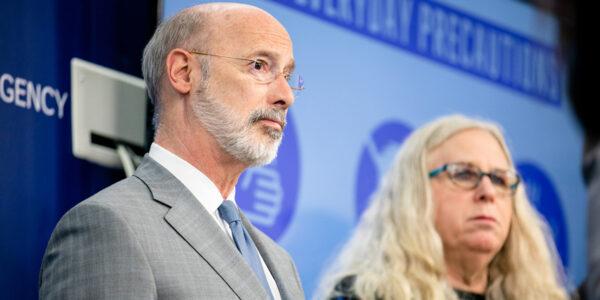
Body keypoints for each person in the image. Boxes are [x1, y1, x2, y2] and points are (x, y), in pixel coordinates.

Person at [39, 3, 304, 299]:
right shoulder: (111, 225)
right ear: (184, 72)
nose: (286, 96)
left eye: (287, 75)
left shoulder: (282, 263)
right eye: (259, 65)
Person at [318, 115, 568, 299]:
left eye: (499, 179)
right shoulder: (363, 295)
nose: (488, 192)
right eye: (464, 174)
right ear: (414, 194)